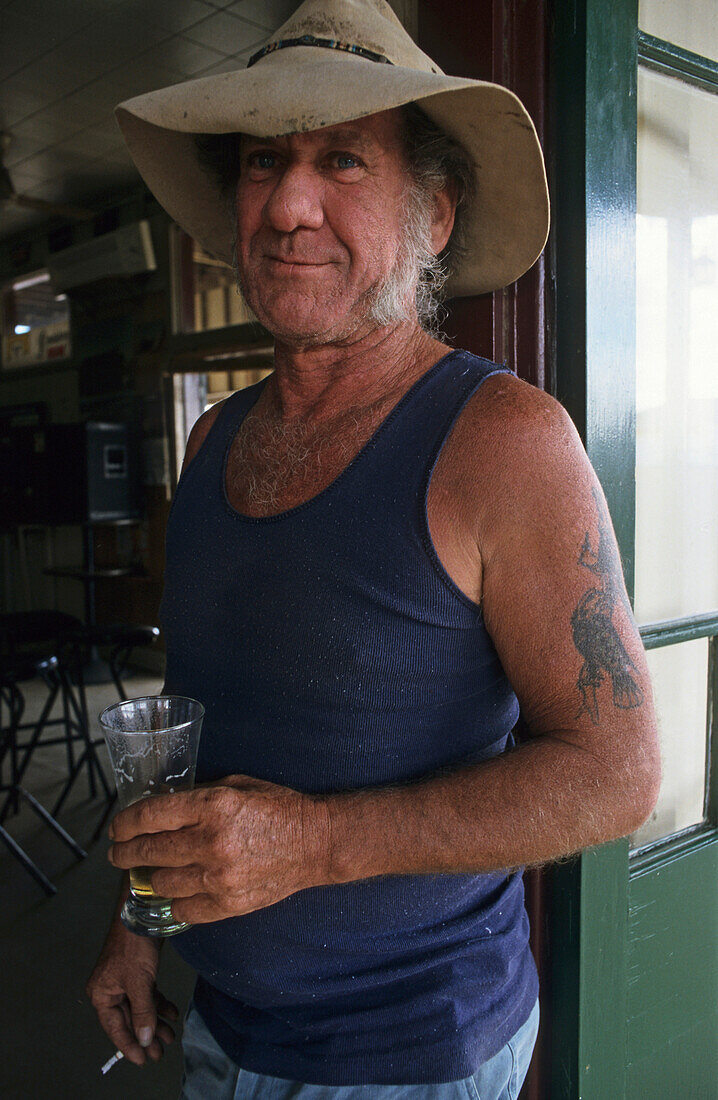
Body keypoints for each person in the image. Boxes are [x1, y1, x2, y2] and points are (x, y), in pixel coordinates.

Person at [86, 2, 661, 1097]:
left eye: (341, 159)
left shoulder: (499, 440)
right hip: (222, 1026)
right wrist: (138, 924)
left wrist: (312, 844)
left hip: (411, 1057)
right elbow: (206, 724)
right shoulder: (212, 442)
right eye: (265, 160)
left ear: (433, 215)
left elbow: (616, 773)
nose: (290, 204)